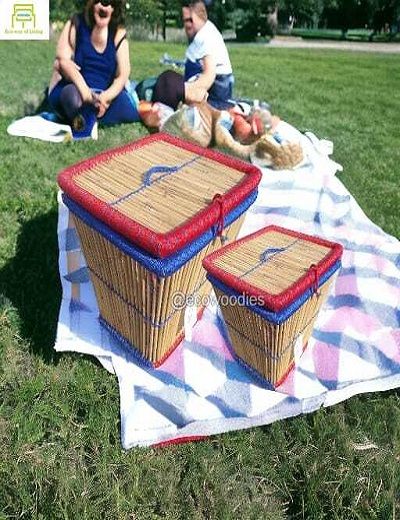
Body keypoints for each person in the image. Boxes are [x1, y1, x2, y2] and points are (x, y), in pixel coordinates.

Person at [47, 0, 140, 134]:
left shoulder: (118, 33)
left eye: (110, 2)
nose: (104, 6)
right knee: (71, 97)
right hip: (77, 89)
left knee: (129, 110)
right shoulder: (76, 24)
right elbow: (62, 62)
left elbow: (123, 75)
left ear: (115, 8)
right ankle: (81, 117)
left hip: (105, 95)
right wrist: (86, 94)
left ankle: (88, 116)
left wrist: (106, 97)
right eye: (99, 1)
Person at [151, 0, 234, 112]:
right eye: (185, 21)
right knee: (164, 83)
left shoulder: (206, 37)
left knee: (168, 84)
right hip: (208, 85)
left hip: (216, 91)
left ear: (197, 18)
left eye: (189, 20)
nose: (186, 25)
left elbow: (209, 75)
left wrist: (188, 91)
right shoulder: (202, 32)